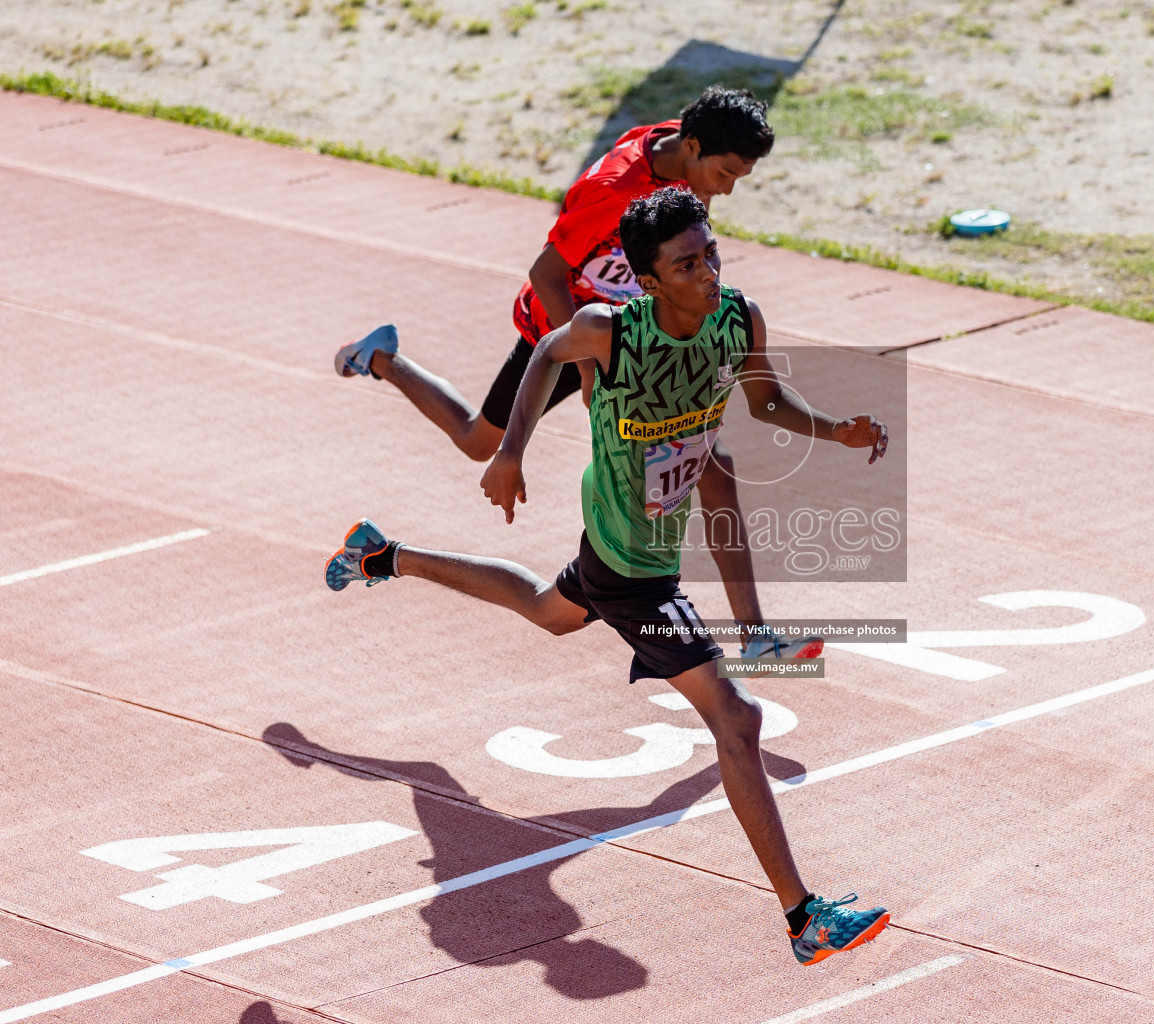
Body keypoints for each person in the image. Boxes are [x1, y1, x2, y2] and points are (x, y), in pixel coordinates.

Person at [325, 187, 892, 965]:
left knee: (547, 609)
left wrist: (835, 430)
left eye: (712, 253)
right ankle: (803, 919)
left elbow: (763, 399)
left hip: (636, 548)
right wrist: (511, 452)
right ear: (649, 280)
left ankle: (382, 554)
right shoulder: (608, 331)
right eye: (687, 264)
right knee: (739, 719)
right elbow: (543, 356)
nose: (709, 272)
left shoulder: (738, 319)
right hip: (634, 569)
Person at [333, 87, 813, 660]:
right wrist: (587, 366)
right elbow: (545, 272)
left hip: (635, 337)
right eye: (726, 173)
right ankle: (381, 357)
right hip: (567, 333)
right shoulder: (612, 191)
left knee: (708, 469)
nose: (728, 188)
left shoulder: (679, 155)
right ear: (692, 145)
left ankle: (750, 635)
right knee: (476, 441)